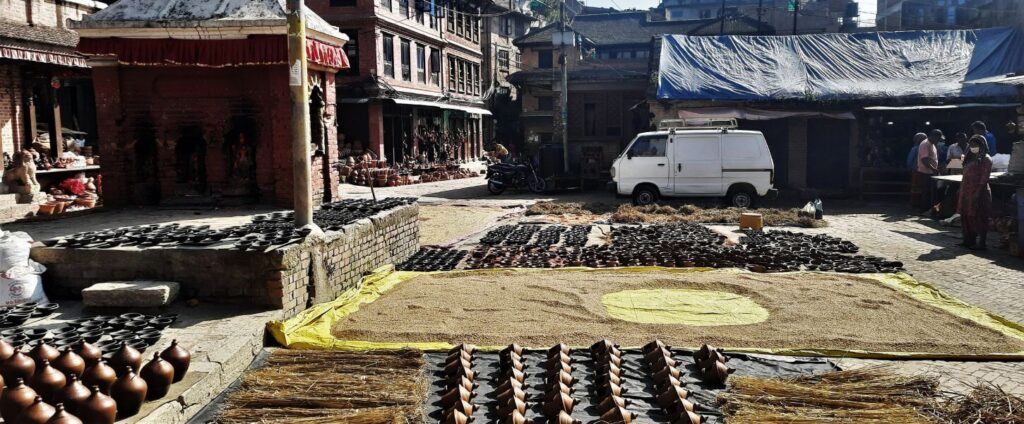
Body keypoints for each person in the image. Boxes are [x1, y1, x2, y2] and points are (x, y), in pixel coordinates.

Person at [957, 135, 993, 250]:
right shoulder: (969, 157)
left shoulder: (986, 159)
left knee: (979, 216)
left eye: (975, 145)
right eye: (971, 145)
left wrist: (977, 192)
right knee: (966, 215)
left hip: (979, 191)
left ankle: (981, 243)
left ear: (982, 145)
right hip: (966, 191)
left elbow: (984, 177)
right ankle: (968, 240)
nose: (973, 147)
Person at [909, 132, 934, 210]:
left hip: (919, 170)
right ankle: (916, 203)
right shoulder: (917, 148)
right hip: (919, 170)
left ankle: (917, 203)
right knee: (918, 187)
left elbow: (909, 160)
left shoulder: (919, 148)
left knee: (919, 187)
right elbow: (910, 160)